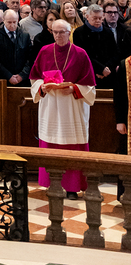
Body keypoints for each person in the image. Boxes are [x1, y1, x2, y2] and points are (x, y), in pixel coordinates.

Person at [30, 18, 96, 199]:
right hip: (51, 105)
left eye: (62, 32)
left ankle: (72, 187)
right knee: (50, 145)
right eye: (55, 32)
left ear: (69, 33)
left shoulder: (80, 53)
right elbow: (35, 78)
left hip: (72, 107)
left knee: (72, 147)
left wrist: (74, 89)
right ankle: (52, 184)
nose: (58, 35)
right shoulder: (44, 51)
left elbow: (90, 86)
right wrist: (42, 87)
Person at [72, 4, 118, 84]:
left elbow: (115, 53)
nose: (98, 21)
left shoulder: (108, 32)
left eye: (100, 18)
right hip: (89, 72)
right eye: (95, 18)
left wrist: (107, 68)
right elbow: (82, 56)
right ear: (87, 17)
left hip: (108, 73)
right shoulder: (79, 33)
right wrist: (100, 69)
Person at [0, 9, 32, 86]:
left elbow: (30, 57)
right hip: (2, 79)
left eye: (14, 22)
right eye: (9, 22)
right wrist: (8, 76)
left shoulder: (25, 35)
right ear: (3, 20)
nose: (12, 25)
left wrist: (22, 75)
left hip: (22, 79)